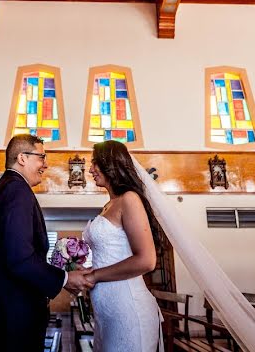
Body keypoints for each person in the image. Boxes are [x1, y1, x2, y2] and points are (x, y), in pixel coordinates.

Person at [0, 134, 93, 352]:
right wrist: (65, 278)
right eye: (41, 157)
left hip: (3, 310)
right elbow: (19, 258)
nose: (45, 165)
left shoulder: (8, 187)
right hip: (11, 318)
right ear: (22, 158)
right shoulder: (17, 190)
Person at [83, 140, 162, 352]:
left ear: (110, 164)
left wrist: (95, 276)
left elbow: (147, 260)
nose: (91, 169)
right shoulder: (109, 205)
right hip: (107, 312)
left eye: (95, 163)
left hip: (128, 309)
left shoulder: (129, 199)